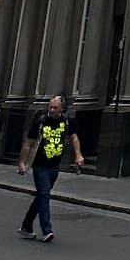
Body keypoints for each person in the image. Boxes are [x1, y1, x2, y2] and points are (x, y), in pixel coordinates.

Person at [17, 96, 83, 242]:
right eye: (50, 107)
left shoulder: (66, 121)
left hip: (54, 166)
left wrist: (78, 155)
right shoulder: (40, 121)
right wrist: (22, 162)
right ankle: (47, 230)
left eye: (55, 108)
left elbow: (74, 138)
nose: (51, 110)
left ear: (61, 109)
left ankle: (26, 227)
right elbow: (28, 143)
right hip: (39, 165)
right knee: (44, 195)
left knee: (41, 196)